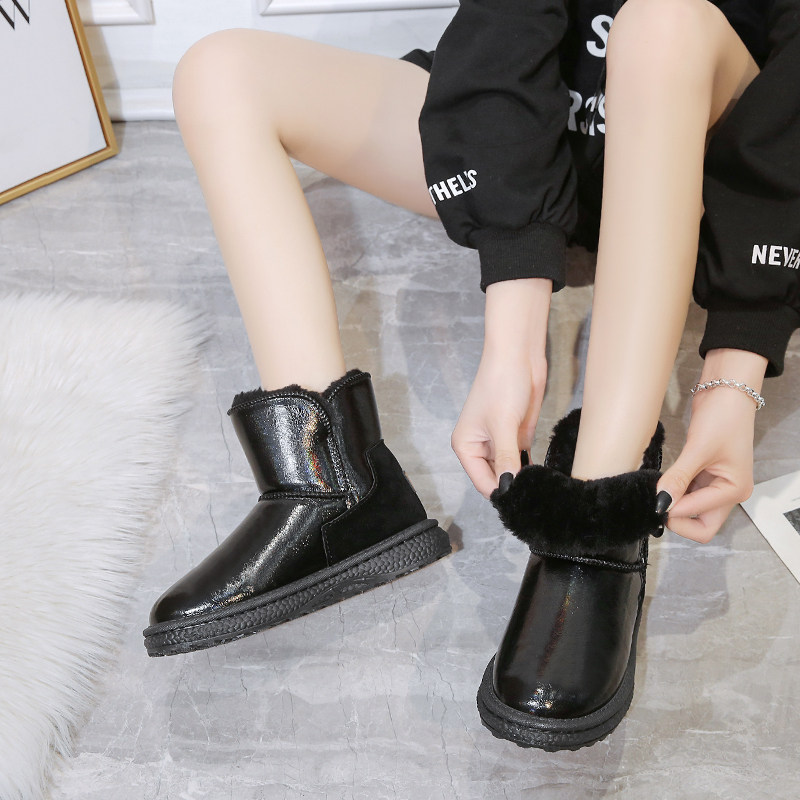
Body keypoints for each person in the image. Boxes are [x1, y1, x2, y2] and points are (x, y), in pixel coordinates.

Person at [142, 0, 800, 750]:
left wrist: (736, 365)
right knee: (220, 71)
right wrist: (513, 327)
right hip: (527, 139)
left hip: (701, 155)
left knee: (664, 23)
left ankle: (596, 506)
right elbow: (503, 26)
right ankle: (329, 482)